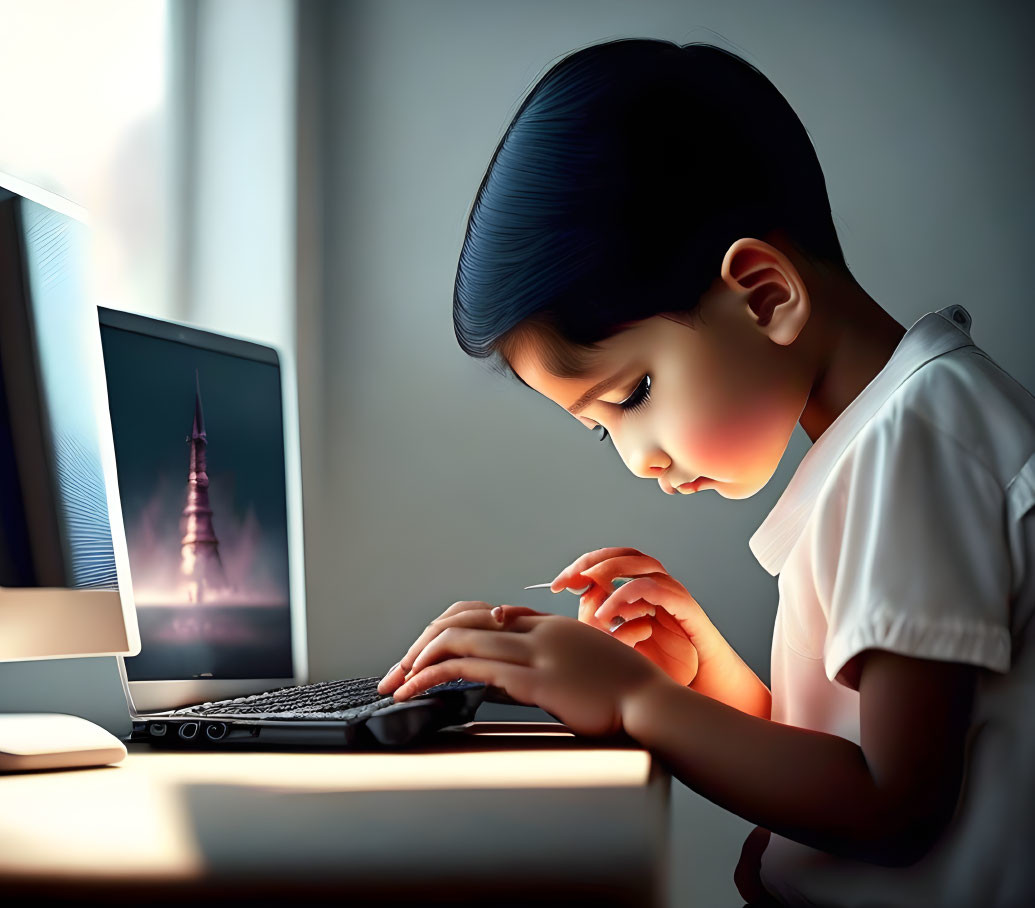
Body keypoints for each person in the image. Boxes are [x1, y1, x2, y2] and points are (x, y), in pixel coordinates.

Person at [374, 38, 1035, 907]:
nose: (639, 456)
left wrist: (636, 703)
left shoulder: (917, 445)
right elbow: (842, 749)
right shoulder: (895, 432)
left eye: (634, 392)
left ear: (764, 295)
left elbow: (892, 805)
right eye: (601, 431)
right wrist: (707, 674)